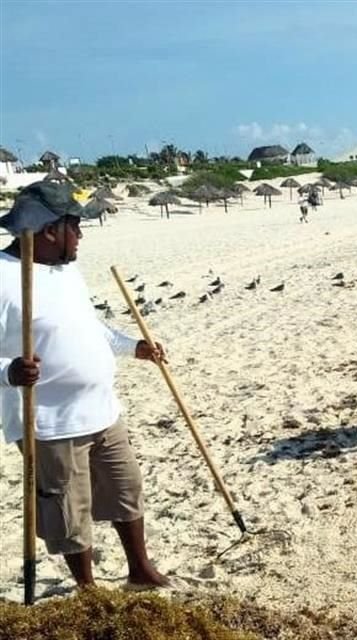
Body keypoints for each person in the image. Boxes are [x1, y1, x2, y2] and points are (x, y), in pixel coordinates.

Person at [0, 181, 169, 590]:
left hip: (102, 411)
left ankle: (140, 571)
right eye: (75, 226)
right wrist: (9, 373)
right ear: (50, 230)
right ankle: (87, 590)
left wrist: (133, 347)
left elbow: (90, 329)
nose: (81, 235)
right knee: (67, 512)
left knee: (126, 490)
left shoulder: (65, 269)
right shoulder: (4, 277)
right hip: (49, 422)